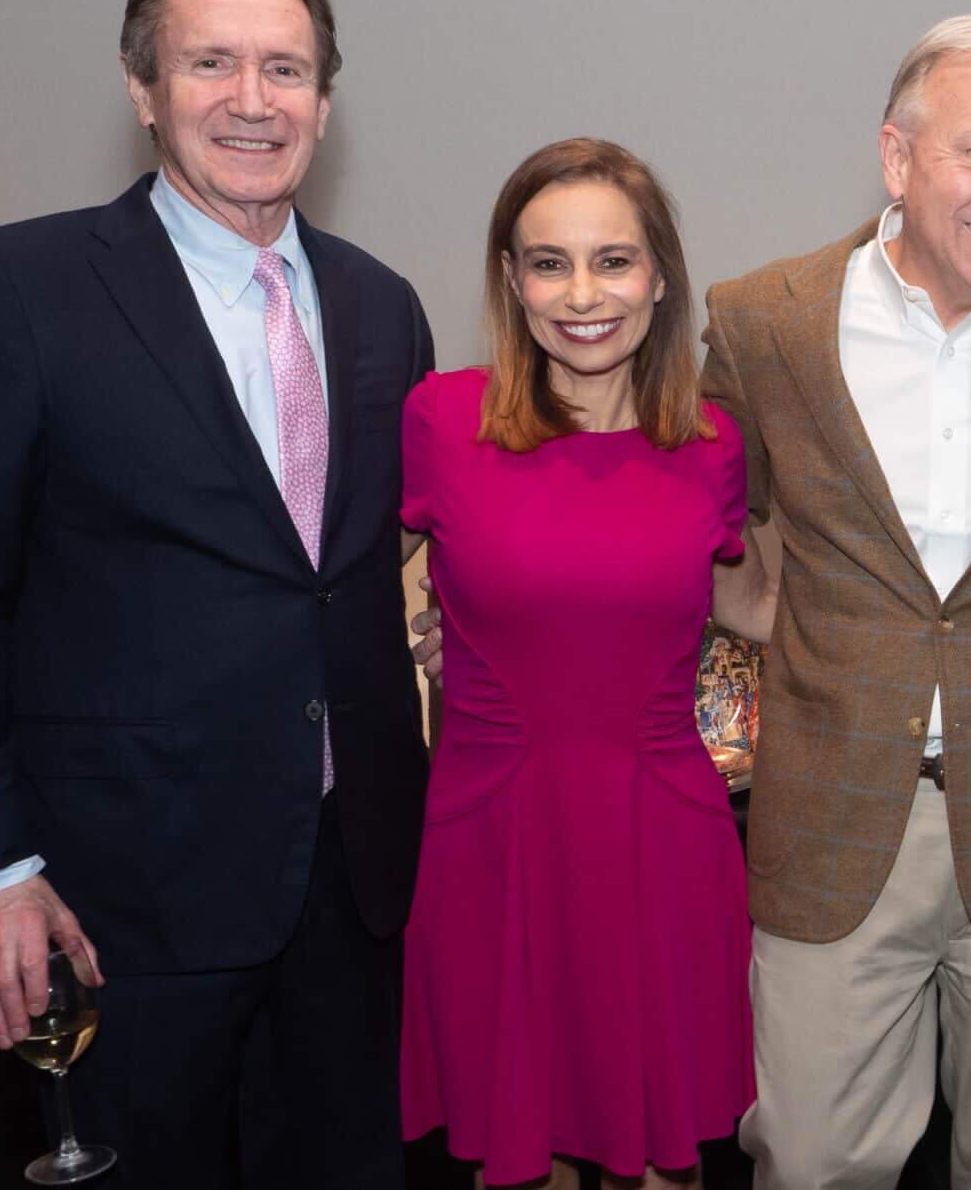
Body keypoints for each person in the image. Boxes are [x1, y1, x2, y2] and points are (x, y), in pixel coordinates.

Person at [0, 0, 433, 1187]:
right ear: (143, 88)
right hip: (118, 901)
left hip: (356, 885)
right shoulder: (19, 286)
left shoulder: (385, 306)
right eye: (211, 63)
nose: (253, 101)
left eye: (286, 68)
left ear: (325, 97)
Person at [694, 15, 971, 1190]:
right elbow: (691, 529)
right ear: (898, 159)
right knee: (810, 1160)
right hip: (836, 817)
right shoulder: (764, 323)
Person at [396, 139, 753, 1188]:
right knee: (518, 1156)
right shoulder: (442, 418)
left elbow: (750, 604)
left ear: (658, 277)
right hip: (492, 834)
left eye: (614, 259)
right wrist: (431, 650)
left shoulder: (712, 442)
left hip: (662, 833)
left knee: (666, 1154)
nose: (582, 292)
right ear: (511, 279)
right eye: (548, 262)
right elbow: (349, 600)